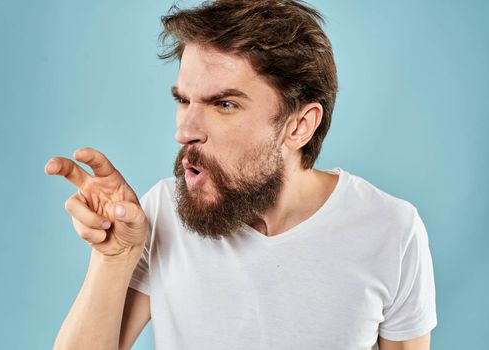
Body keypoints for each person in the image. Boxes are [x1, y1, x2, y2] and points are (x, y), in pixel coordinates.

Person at [45, 1, 437, 349]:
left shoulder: (391, 229)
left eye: (225, 104)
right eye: (184, 100)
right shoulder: (161, 213)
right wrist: (114, 257)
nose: (184, 132)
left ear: (300, 125)